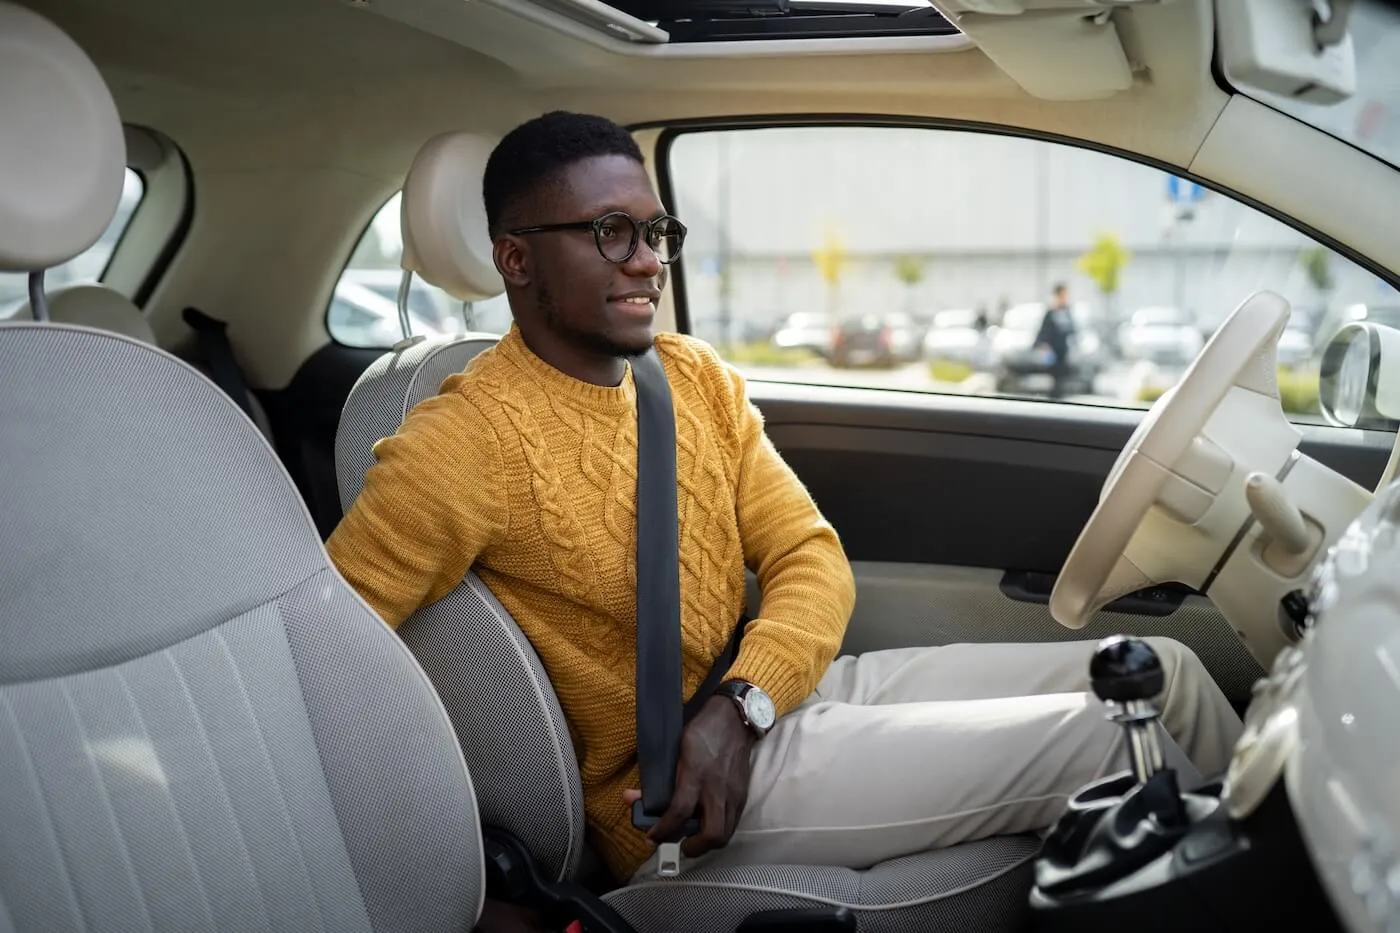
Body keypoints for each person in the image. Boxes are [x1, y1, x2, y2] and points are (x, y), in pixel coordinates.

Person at [326, 111, 1243, 889]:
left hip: (765, 704)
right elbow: (323, 662)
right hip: (670, 794)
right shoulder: (461, 442)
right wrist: (467, 875)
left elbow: (810, 555)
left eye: (657, 232)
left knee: (1168, 674)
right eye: (611, 232)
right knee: (1110, 734)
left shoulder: (692, 378)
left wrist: (743, 704)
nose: (648, 261)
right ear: (515, 259)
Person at [1035, 282, 1077, 398]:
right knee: (1055, 373)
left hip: (1063, 348)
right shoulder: (1052, 312)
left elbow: (1072, 329)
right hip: (1053, 349)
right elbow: (1045, 330)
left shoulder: (1067, 311)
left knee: (1063, 373)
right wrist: (1043, 344)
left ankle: (1060, 392)